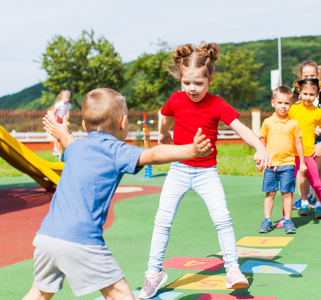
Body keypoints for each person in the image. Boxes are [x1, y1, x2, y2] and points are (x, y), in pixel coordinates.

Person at [22, 88, 213, 300]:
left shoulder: (76, 148)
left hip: (46, 236)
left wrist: (61, 132)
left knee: (39, 292)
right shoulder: (116, 150)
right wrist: (192, 151)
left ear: (84, 125)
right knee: (120, 293)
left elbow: (68, 140)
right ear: (123, 122)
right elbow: (155, 154)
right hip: (81, 240)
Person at [139, 42, 271, 299]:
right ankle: (154, 273)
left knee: (223, 219)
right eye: (186, 82)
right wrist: (163, 132)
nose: (192, 89)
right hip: (178, 169)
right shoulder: (176, 100)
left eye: (198, 83)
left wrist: (260, 147)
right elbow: (164, 115)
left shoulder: (217, 104)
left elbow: (241, 128)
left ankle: (232, 269)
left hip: (206, 172)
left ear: (210, 79)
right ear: (180, 79)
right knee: (162, 221)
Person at [258, 86, 307, 234]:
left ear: (290, 104)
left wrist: (303, 162)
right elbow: (262, 143)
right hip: (270, 165)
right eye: (280, 103)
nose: (283, 106)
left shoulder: (293, 124)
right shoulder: (267, 122)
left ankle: (287, 220)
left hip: (287, 165)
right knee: (270, 193)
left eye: (286, 103)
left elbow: (299, 144)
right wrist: (260, 159)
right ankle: (267, 220)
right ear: (273, 103)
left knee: (286, 193)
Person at [289, 75, 321, 223]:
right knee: (289, 185)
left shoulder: (318, 112)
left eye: (311, 94)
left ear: (317, 94)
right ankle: (288, 215)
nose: (308, 97)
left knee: (316, 182)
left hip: (309, 153)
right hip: (291, 154)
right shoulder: (292, 109)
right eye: (305, 93)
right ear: (299, 92)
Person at [50, 90, 72, 156]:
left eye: (68, 98)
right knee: (57, 135)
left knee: (65, 133)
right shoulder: (58, 104)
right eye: (66, 97)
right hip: (57, 119)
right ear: (62, 97)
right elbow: (53, 113)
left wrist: (66, 120)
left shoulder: (68, 105)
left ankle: (64, 149)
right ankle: (55, 149)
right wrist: (55, 121)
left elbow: (67, 113)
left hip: (63, 120)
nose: (67, 99)